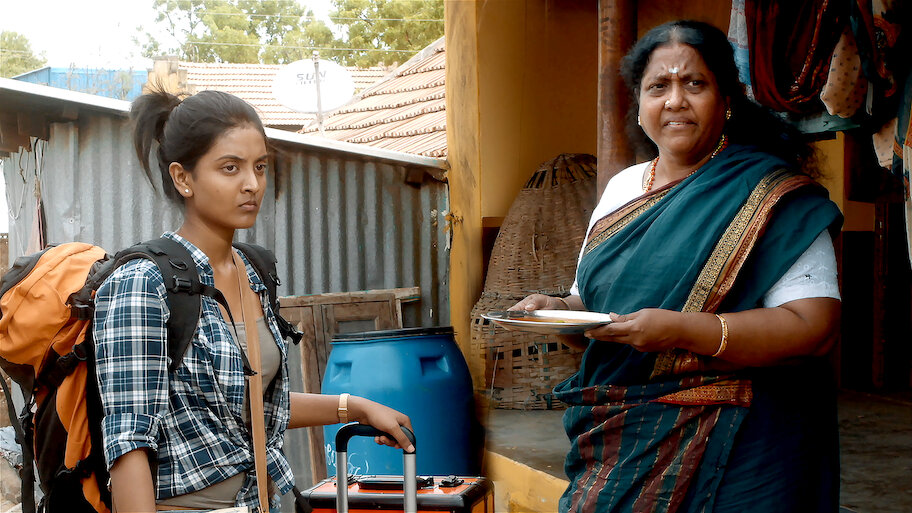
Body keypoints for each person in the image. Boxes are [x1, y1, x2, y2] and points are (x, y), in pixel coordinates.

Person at [511, 20, 843, 513]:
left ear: (726, 98)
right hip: (623, 435)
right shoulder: (624, 188)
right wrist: (558, 311)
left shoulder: (772, 194)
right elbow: (596, 305)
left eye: (694, 84)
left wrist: (680, 330)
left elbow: (814, 327)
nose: (674, 101)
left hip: (745, 442)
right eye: (657, 87)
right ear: (638, 103)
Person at [93, 88, 414, 512]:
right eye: (230, 168)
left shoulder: (254, 270)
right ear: (183, 178)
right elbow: (129, 442)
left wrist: (355, 408)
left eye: (259, 166)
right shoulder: (142, 283)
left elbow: (252, 408)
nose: (252, 184)